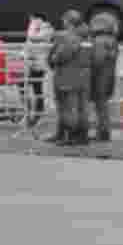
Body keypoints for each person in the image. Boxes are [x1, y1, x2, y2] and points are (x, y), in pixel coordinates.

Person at [46, 9, 92, 146]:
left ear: (69, 22)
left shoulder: (70, 37)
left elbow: (62, 56)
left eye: (64, 20)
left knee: (68, 107)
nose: (63, 22)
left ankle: (71, 136)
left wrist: (52, 58)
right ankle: (81, 135)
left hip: (68, 76)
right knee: (82, 108)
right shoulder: (86, 37)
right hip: (83, 76)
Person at [88, 12, 120, 142]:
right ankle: (104, 131)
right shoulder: (113, 41)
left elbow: (97, 61)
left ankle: (103, 132)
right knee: (103, 105)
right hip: (108, 76)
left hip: (99, 77)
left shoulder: (99, 41)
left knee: (100, 106)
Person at [23, 13, 53, 128]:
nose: (32, 22)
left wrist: (31, 27)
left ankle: (37, 113)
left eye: (34, 19)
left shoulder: (47, 29)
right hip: (31, 63)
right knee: (27, 86)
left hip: (40, 64)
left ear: (40, 19)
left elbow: (33, 38)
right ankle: (30, 112)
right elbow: (28, 44)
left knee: (36, 88)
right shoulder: (36, 29)